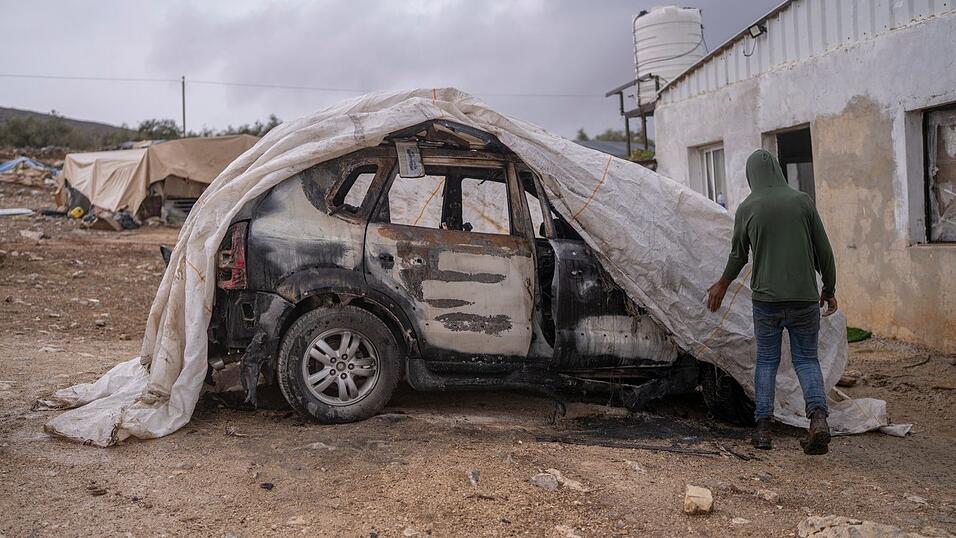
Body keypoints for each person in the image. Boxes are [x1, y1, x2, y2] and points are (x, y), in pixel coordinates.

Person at [706, 149, 837, 455]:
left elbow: (738, 255)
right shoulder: (803, 201)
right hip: (804, 298)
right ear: (777, 171)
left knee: (767, 361)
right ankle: (818, 419)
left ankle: (763, 429)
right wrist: (829, 288)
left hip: (766, 301)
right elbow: (825, 252)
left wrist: (723, 284)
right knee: (806, 360)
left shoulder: (748, 207)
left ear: (752, 176)